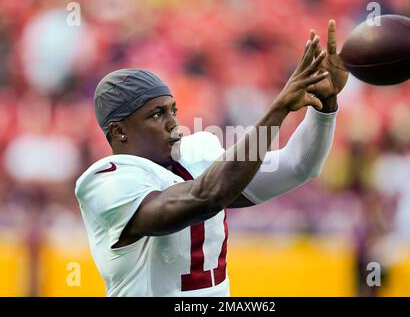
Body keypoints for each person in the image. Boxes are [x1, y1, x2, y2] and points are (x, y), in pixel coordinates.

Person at [75, 20, 348, 296]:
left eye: (173, 111)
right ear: (119, 130)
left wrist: (325, 105)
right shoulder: (106, 181)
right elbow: (203, 198)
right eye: (157, 114)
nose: (173, 123)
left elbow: (298, 165)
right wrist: (278, 109)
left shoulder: (199, 153)